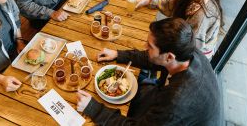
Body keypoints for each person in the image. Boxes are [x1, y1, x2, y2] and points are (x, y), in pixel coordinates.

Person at [77, 18, 221, 125]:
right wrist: (118, 54)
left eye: (150, 46)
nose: (145, 46)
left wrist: (93, 108)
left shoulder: (175, 101)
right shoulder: (186, 51)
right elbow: (155, 59)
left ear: (169, 56)